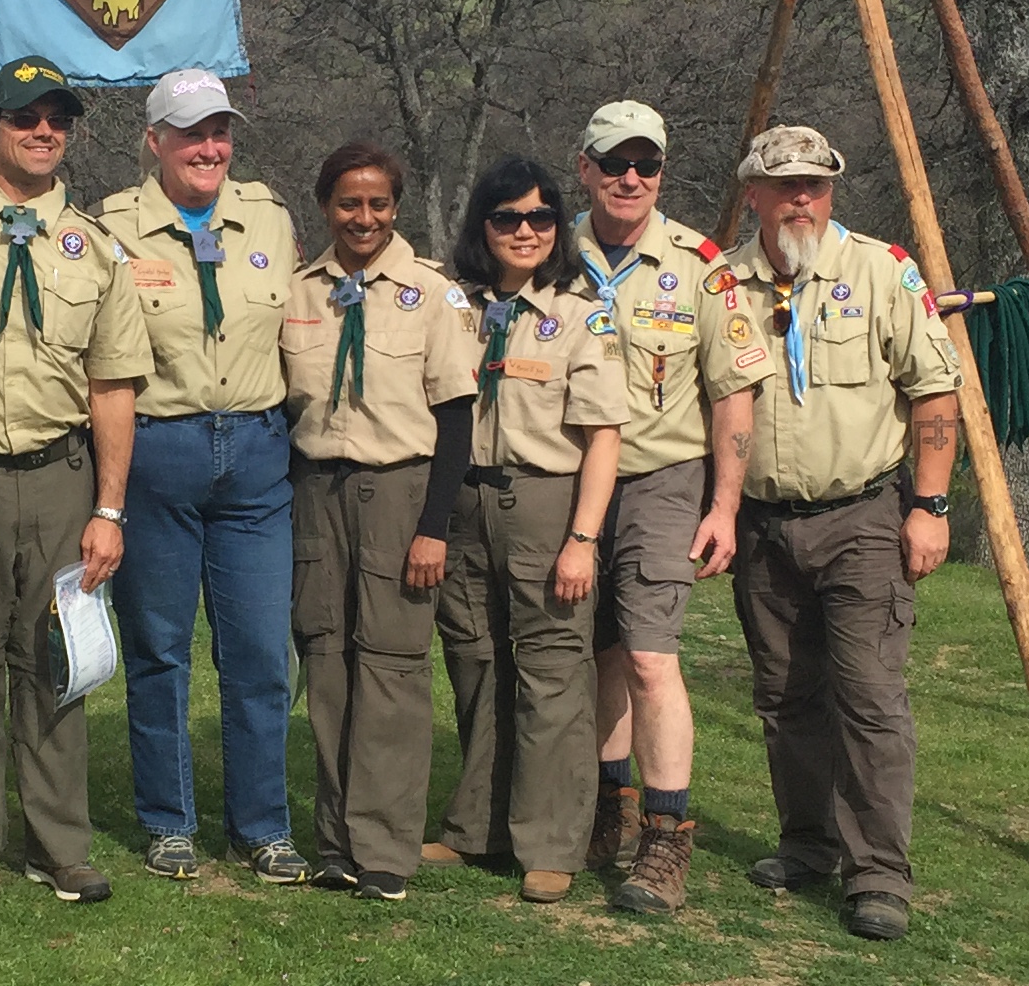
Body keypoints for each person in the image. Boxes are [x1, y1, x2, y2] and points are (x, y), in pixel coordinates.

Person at [687, 123, 963, 944]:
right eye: (785, 185)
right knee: (784, 695)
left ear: (832, 191)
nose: (801, 198)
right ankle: (807, 843)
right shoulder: (721, 283)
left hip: (863, 517)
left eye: (815, 184)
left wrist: (931, 506)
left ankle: (878, 875)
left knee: (869, 697)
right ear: (754, 194)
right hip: (765, 523)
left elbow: (935, 392)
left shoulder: (881, 272)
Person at [0, 56, 150, 904]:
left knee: (55, 660)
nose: (44, 132)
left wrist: (109, 508)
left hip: (58, 477)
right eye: (25, 118)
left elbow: (112, 385)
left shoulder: (96, 246)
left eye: (58, 120)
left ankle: (59, 843)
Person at [97, 68, 306, 885]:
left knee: (259, 652)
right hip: (162, 449)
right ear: (155, 141)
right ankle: (169, 820)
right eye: (191, 134)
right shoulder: (114, 227)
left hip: (255, 454)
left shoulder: (268, 217)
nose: (210, 148)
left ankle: (263, 827)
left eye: (219, 133)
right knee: (159, 650)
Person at [280, 144, 482, 900]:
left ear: (395, 207)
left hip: (401, 493)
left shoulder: (432, 293)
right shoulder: (299, 291)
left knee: (392, 669)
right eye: (348, 203)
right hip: (318, 492)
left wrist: (434, 527)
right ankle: (336, 841)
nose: (363, 218)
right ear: (325, 207)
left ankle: (386, 846)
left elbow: (456, 422)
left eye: (378, 204)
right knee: (328, 662)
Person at [425, 157, 626, 903]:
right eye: (507, 217)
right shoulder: (453, 306)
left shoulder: (579, 314)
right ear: (483, 225)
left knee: (552, 672)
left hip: (545, 505)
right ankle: (477, 826)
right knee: (475, 662)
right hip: (464, 503)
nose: (525, 231)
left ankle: (550, 842)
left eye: (540, 217)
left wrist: (583, 540)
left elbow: (603, 437)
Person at [568, 100, 723, 917]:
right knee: (597, 653)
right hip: (569, 477)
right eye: (614, 163)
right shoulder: (549, 249)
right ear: (585, 169)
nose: (631, 178)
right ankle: (608, 806)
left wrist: (724, 505)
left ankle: (667, 836)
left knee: (652, 657)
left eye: (647, 164)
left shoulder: (698, 264)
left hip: (662, 475)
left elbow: (734, 391)